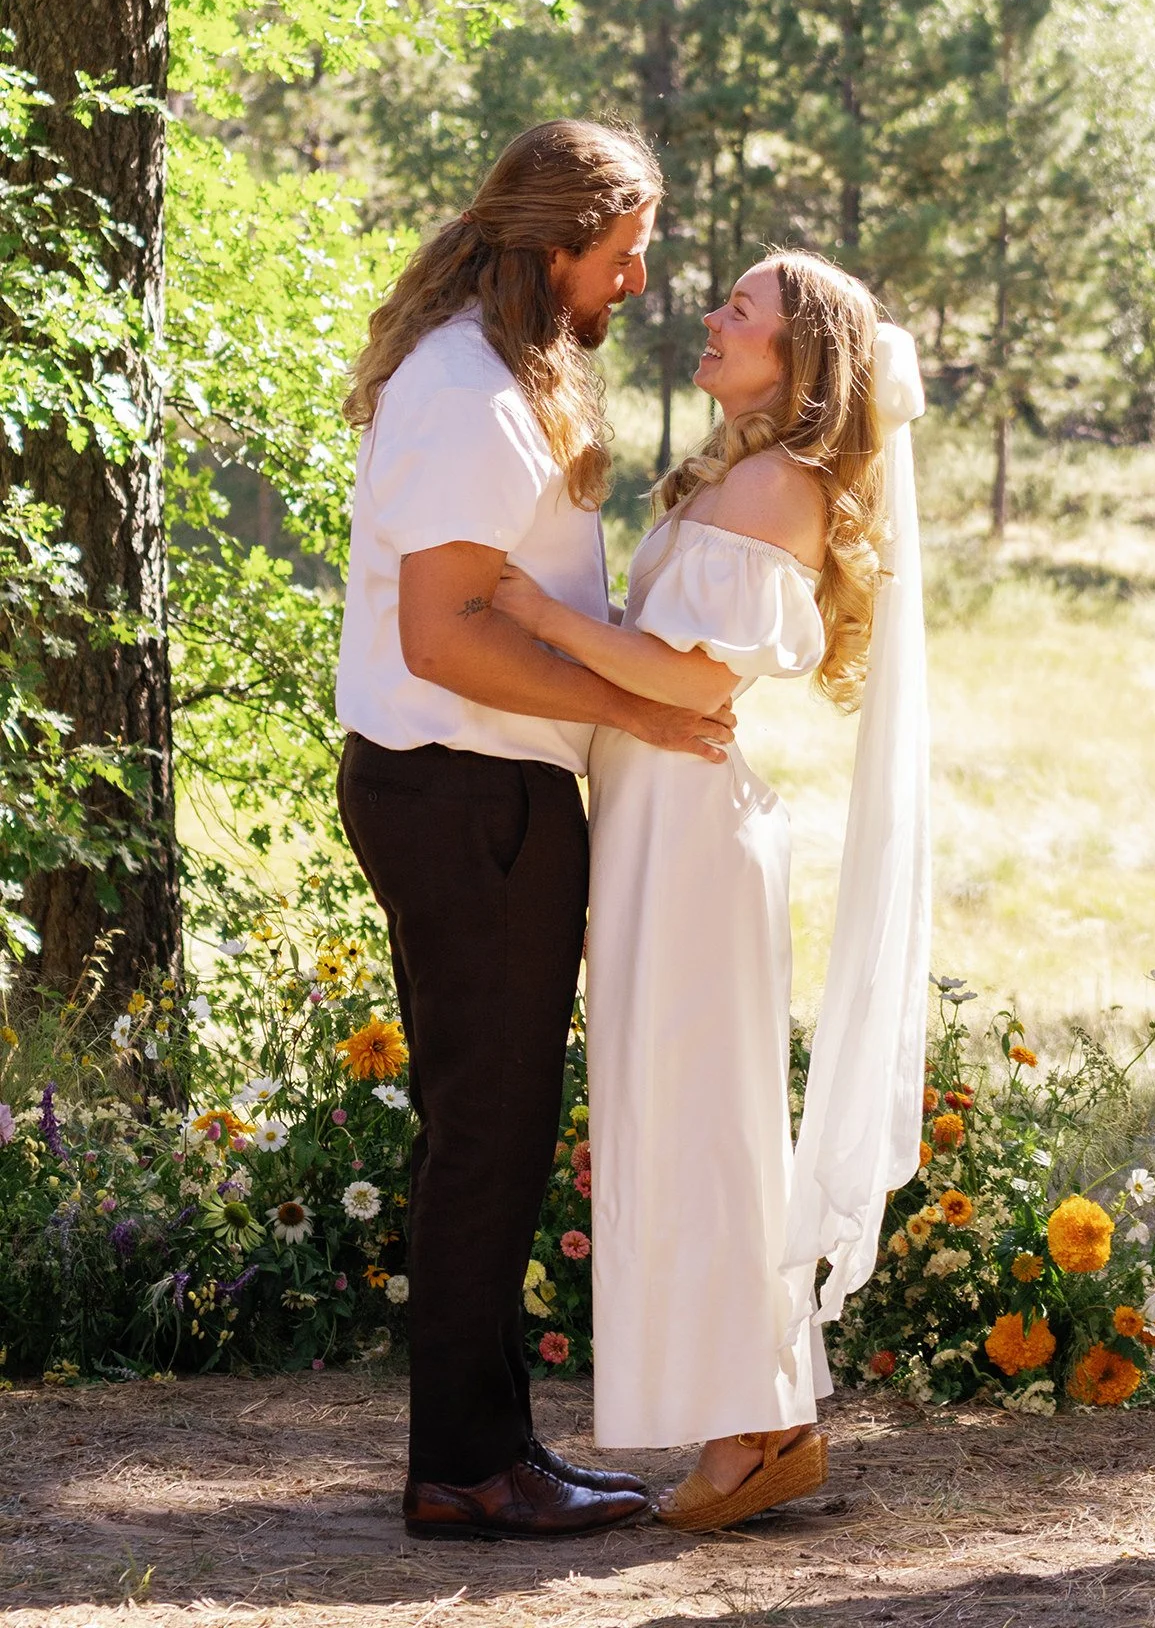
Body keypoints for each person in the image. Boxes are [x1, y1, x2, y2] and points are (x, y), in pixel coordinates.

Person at [335, 120, 738, 1543]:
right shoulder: (462, 387)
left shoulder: (495, 369)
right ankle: (464, 1466)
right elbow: (440, 637)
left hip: (474, 790)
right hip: (467, 791)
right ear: (556, 244)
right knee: (486, 1139)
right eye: (622, 256)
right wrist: (628, 714)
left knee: (487, 1130)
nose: (635, 283)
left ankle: (490, 1447)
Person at [494, 249, 931, 1530]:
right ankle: (754, 1410)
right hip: (658, 822)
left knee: (705, 1126)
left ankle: (764, 1424)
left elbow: (693, 683)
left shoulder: (780, 483)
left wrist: (529, 609)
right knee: (674, 1114)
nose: (713, 314)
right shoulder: (745, 474)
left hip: (690, 830)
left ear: (800, 358)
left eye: (743, 307)